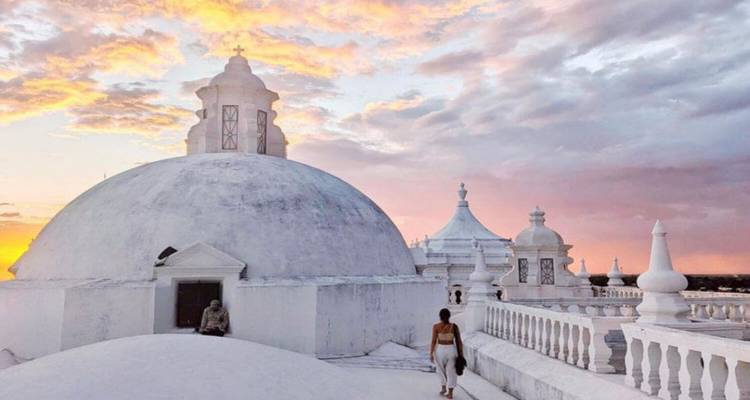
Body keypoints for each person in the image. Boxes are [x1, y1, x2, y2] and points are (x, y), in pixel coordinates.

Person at [430, 308, 463, 399]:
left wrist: (431, 353)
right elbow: (459, 342)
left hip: (440, 350)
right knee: (451, 371)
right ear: (449, 316)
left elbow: (433, 341)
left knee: (440, 370)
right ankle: (450, 393)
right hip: (451, 350)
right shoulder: (454, 326)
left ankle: (443, 388)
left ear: (440, 317)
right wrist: (461, 354)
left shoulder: (436, 326)